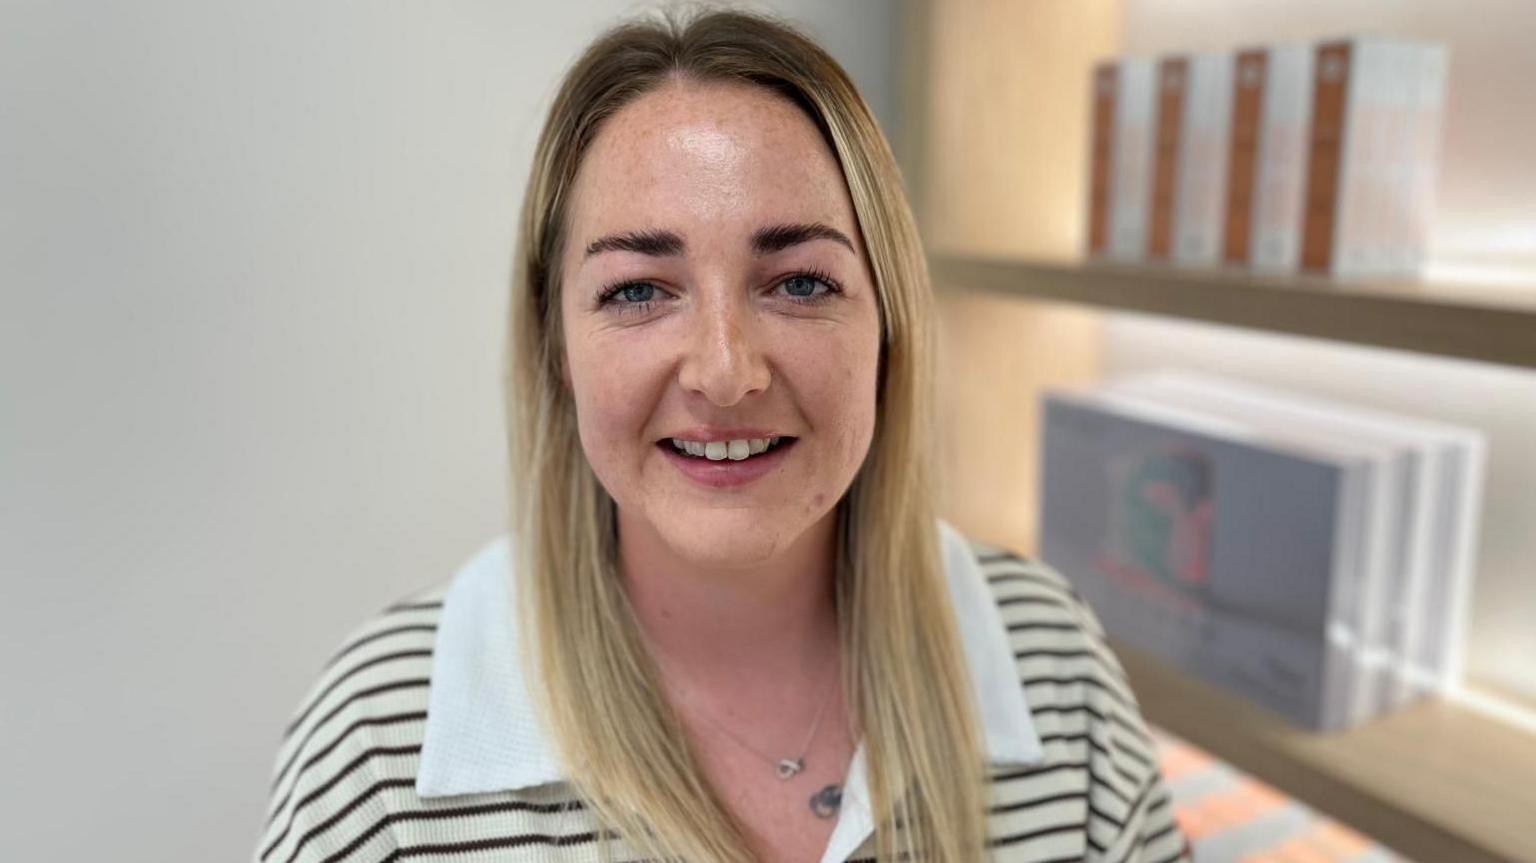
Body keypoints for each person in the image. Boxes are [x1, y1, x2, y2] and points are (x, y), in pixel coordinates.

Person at [255, 8, 1191, 862]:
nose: (725, 371)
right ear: (556, 348)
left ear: (889, 327)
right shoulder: (380, 746)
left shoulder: (1054, 666)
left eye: (799, 282)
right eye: (637, 290)